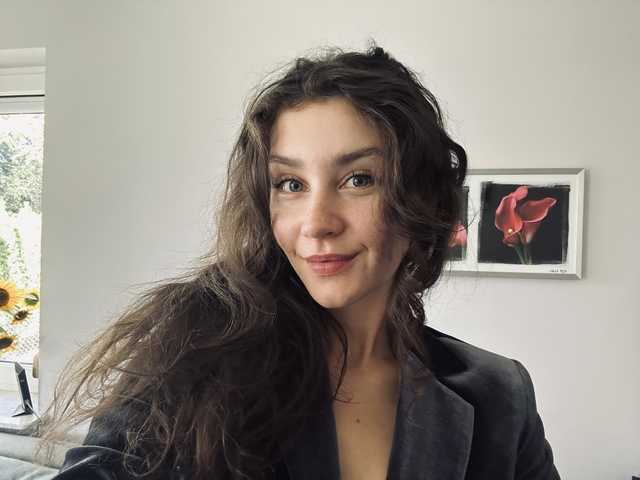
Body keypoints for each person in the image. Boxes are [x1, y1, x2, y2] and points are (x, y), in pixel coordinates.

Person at [38, 42, 561, 479]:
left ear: (421, 195)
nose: (316, 223)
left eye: (358, 179)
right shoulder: (187, 359)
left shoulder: (500, 395)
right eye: (290, 184)